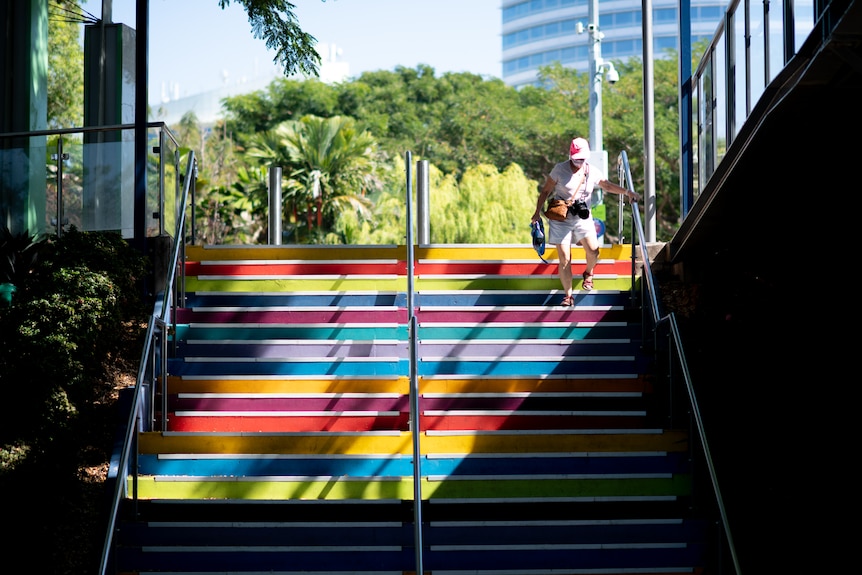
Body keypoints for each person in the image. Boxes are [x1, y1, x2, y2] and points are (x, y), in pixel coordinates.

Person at [531, 137, 641, 306]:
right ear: (570, 156)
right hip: (561, 218)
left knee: (593, 251)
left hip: (583, 217)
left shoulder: (591, 171)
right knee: (565, 258)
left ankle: (588, 273)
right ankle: (568, 295)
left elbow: (607, 185)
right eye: (577, 159)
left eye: (583, 159)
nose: (580, 162)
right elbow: (545, 191)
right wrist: (537, 212)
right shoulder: (559, 170)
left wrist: (627, 192)